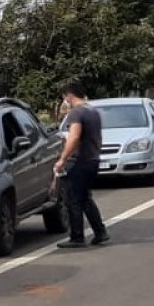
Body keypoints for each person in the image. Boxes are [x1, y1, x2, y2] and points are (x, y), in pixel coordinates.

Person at [53, 82, 111, 250]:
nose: (64, 101)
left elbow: (74, 137)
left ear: (69, 95)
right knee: (85, 198)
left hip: (80, 161)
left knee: (74, 200)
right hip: (92, 159)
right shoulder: (92, 111)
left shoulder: (76, 113)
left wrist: (63, 158)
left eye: (64, 98)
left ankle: (77, 237)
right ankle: (100, 232)